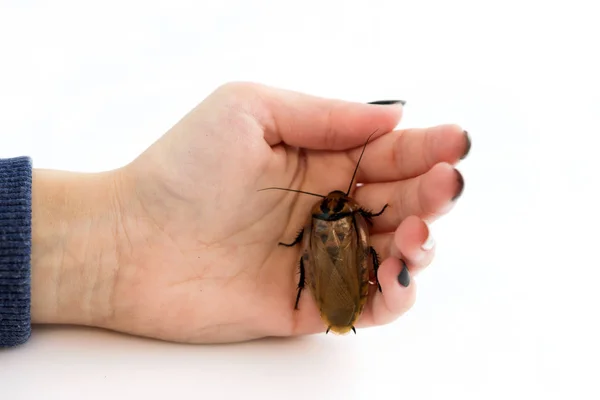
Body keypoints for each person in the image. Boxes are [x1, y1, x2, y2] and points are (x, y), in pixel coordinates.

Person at [0, 82, 469, 347]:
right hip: (347, 248)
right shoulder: (353, 220)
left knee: (330, 262)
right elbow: (362, 223)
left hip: (333, 259)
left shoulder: (321, 224)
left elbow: (314, 251)